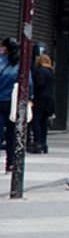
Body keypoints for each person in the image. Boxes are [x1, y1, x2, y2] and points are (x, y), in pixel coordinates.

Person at [0, 38, 28, 172]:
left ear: (5, 48)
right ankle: (10, 162)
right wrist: (29, 99)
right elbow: (29, 83)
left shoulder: (1, 61)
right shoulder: (22, 64)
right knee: (12, 134)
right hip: (14, 103)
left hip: (0, 101)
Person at [29, 54, 56, 154]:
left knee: (36, 121)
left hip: (40, 99)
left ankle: (37, 143)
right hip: (49, 100)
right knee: (43, 123)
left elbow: (39, 85)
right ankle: (44, 144)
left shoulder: (40, 71)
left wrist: (32, 91)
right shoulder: (50, 71)